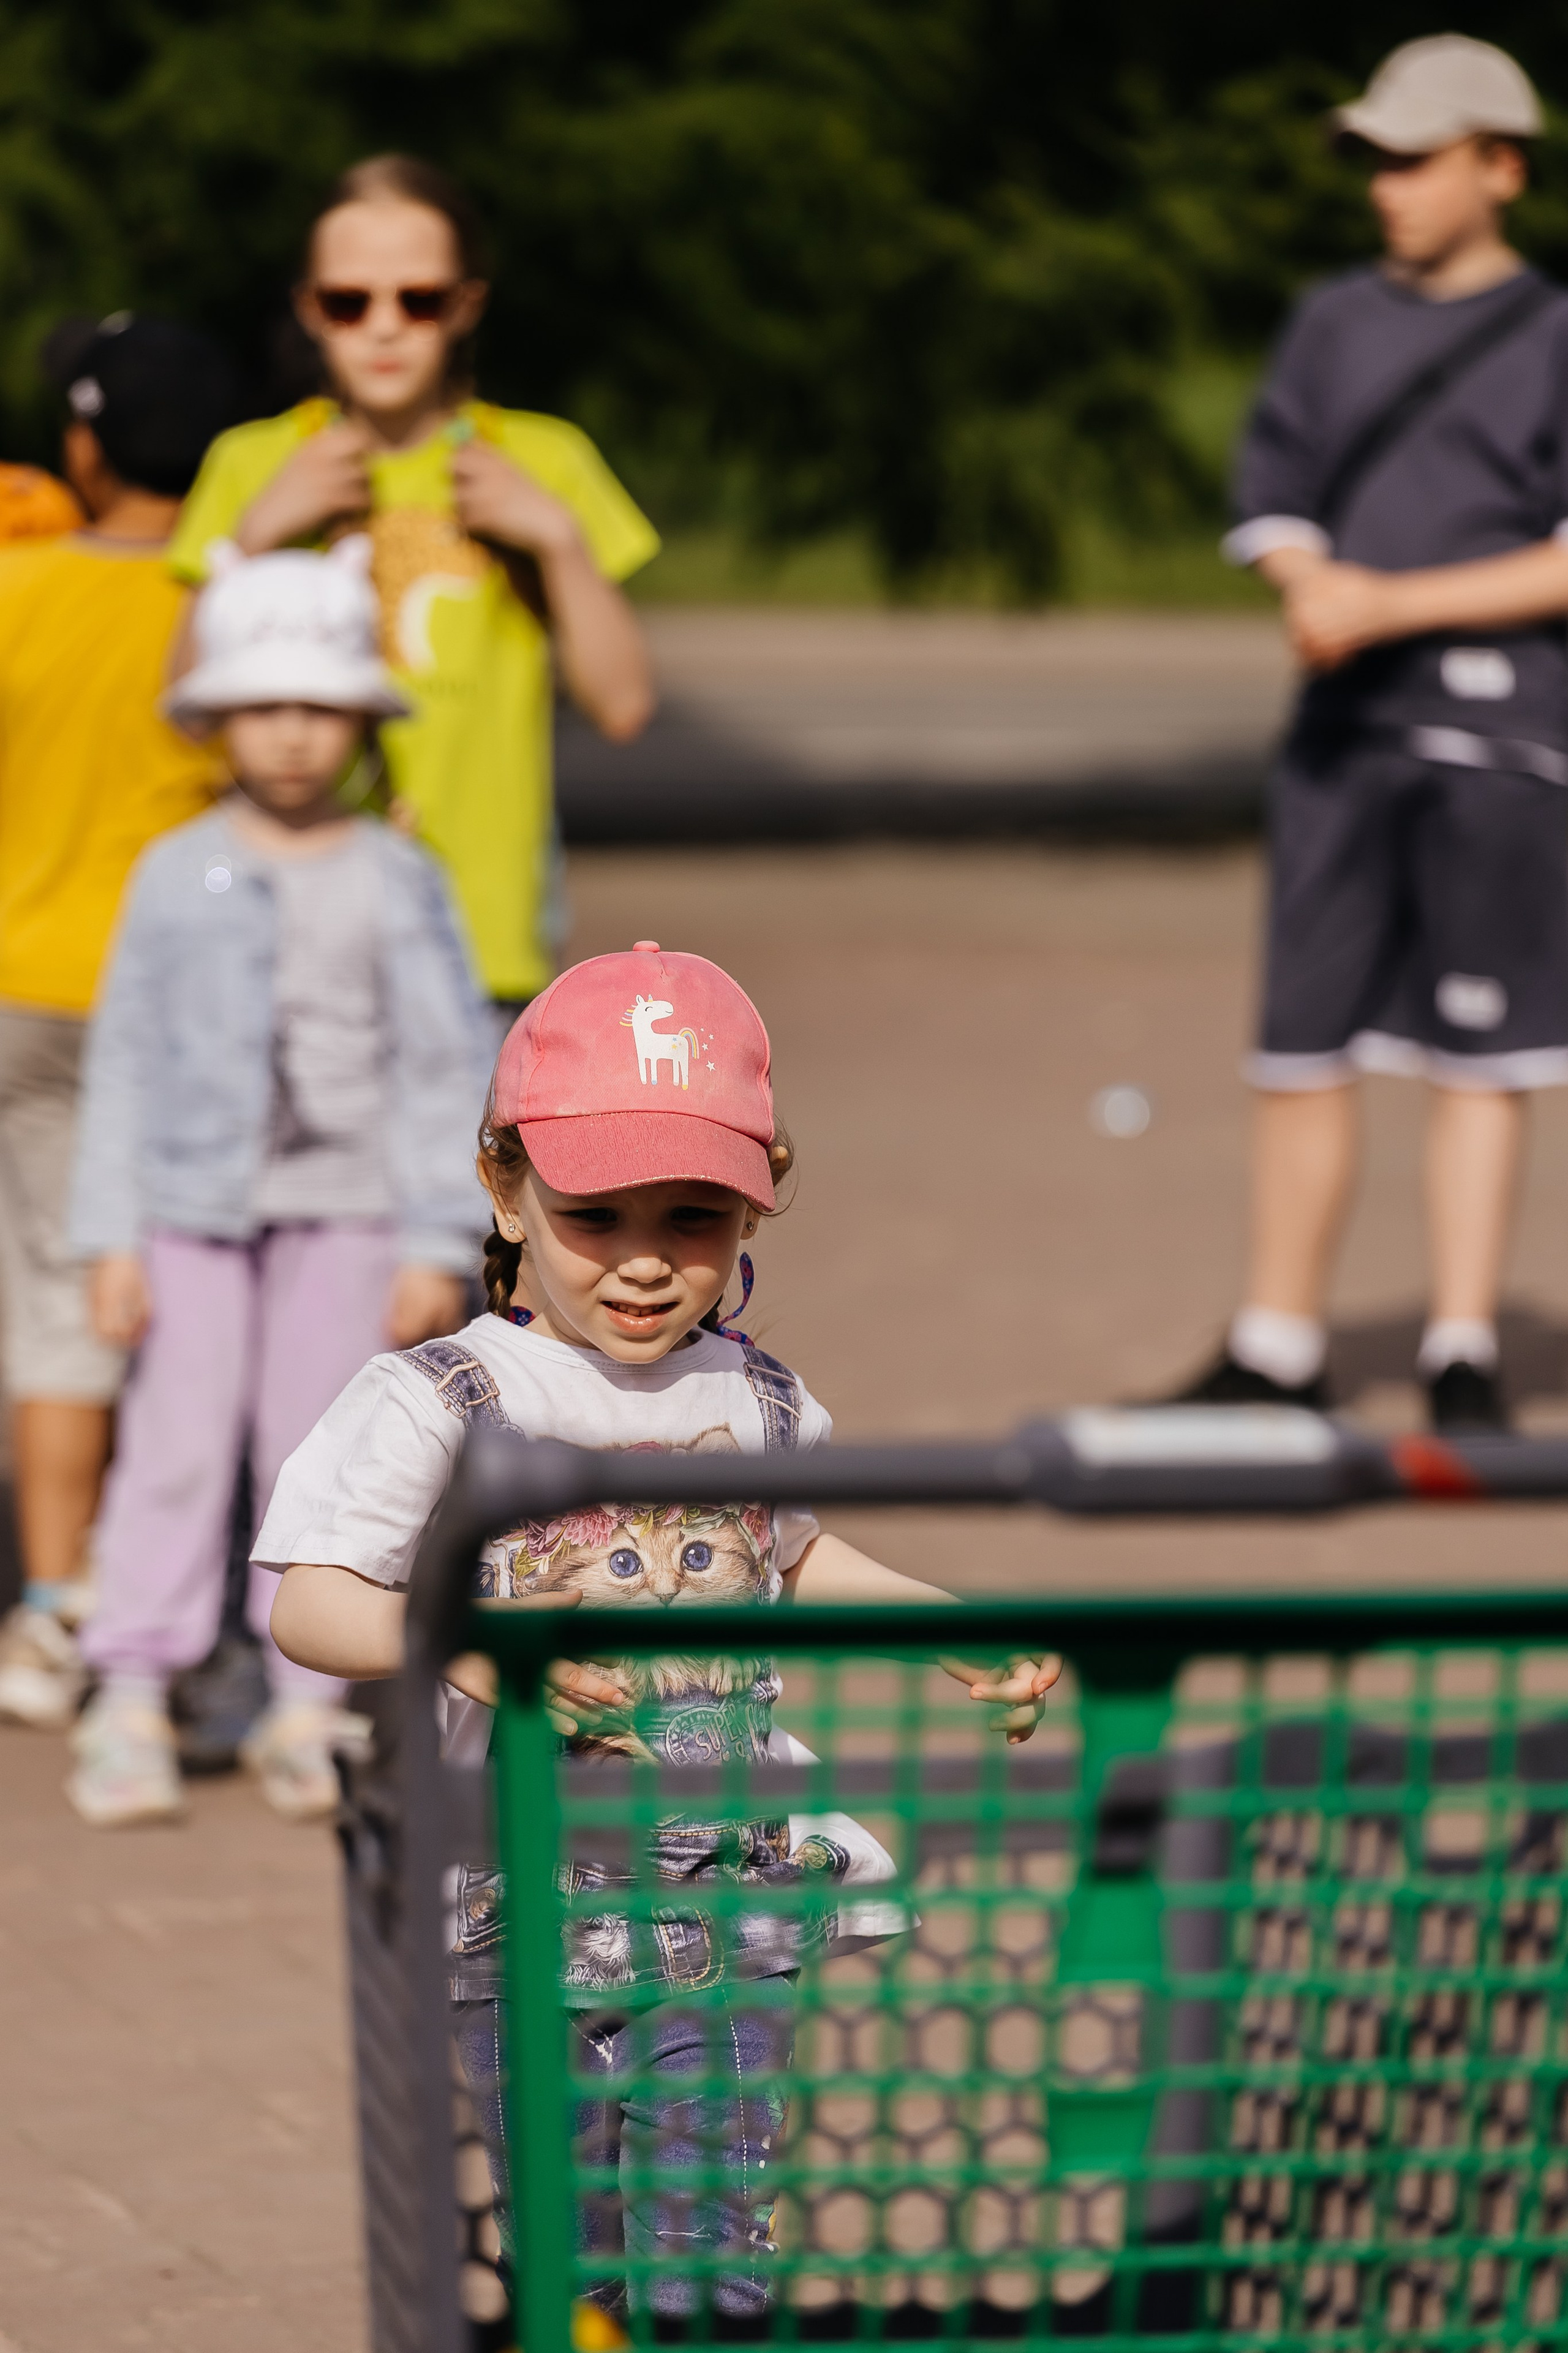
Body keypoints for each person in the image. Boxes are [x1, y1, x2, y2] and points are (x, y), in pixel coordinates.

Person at [256, 940, 1060, 2323]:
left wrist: (948, 1625)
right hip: (510, 1906)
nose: (643, 1261)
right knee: (563, 2230)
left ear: (755, 1211)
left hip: (724, 1889)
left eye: (691, 1217)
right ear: (501, 1189)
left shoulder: (753, 1400)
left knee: (708, 2230)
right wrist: (457, 1639)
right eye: (594, 1212)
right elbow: (309, 1597)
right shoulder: (439, 1396)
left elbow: (790, 1558)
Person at [63, 540, 495, 1827]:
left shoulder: (396, 876)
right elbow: (126, 1054)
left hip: (353, 1211)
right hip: (188, 1216)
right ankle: (133, 1690)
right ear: (219, 718)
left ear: (359, 715)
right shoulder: (173, 868)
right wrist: (109, 1235)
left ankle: (307, 1702)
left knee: (325, 1460)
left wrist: (436, 1233)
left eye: (318, 706)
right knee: (176, 1449)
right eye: (264, 705)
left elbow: (443, 1061)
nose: (293, 734)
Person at [1170, 36, 1568, 1432]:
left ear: (1498, 167)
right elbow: (1273, 491)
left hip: (1502, 743)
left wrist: (1386, 601)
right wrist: (1310, 589)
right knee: (1299, 1045)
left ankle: (1461, 1346)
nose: (1386, 187)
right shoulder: (1331, 321)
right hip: (1340, 734)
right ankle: (1276, 1343)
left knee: (1480, 1056)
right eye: (1374, 162)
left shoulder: (1553, 332)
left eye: (1414, 159)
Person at [167, 153, 659, 1018]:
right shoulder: (251, 464)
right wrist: (257, 533)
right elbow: (177, 702)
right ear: (309, 310)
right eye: (349, 301)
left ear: (466, 304)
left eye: (419, 299)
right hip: (284, 931)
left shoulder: (543, 460)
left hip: (481, 938)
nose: (385, 327)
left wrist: (557, 538)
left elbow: (622, 704)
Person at [0, 315, 234, 1732]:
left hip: (27, 987)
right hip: (187, 994)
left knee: (55, 1306)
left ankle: (49, 1607)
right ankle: (180, 1607)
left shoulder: (18, 590)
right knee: (188, 1309)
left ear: (84, 443)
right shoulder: (229, 600)